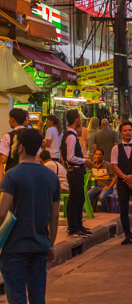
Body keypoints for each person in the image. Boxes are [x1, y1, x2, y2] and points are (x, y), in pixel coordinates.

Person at [0, 128, 60, 304]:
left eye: (14, 142)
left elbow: (2, 212)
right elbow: (54, 216)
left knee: (17, 296)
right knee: (37, 297)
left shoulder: (11, 177)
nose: (11, 146)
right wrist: (51, 244)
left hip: (14, 248)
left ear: (20, 148)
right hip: (40, 246)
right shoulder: (51, 177)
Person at [60, 109, 93, 236]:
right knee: (75, 198)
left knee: (79, 198)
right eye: (79, 118)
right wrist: (84, 161)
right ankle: (73, 226)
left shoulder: (71, 135)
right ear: (76, 120)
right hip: (74, 171)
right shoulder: (70, 136)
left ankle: (78, 225)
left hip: (77, 171)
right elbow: (70, 157)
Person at [0, 108, 28, 182]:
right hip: (29, 174)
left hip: (12, 174)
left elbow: (3, 159)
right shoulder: (32, 134)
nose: (9, 121)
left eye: (9, 119)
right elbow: (37, 157)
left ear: (13, 119)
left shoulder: (8, 136)